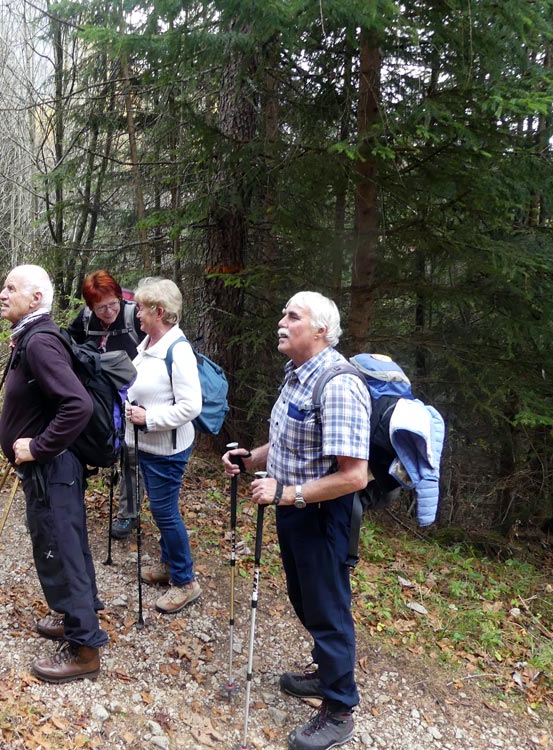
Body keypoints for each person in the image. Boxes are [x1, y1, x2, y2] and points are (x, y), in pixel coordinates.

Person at [222, 291, 370, 750]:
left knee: (327, 610)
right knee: (305, 600)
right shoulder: (297, 376)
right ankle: (327, 674)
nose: (280, 322)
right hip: (294, 510)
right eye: (282, 312)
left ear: (321, 330)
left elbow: (355, 476)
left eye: (292, 316)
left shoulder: (338, 384)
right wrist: (252, 460)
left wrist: (288, 493)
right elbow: (289, 446)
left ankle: (340, 707)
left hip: (323, 517)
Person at [0, 264, 108, 683]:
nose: (3, 294)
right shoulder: (33, 337)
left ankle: (84, 648)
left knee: (61, 548)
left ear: (36, 298)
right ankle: (75, 616)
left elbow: (76, 405)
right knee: (67, 543)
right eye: (4, 287)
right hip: (56, 466)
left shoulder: (40, 342)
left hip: (53, 466)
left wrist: (39, 447)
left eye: (12, 288)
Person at [124, 277, 203, 615]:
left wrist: (148, 418)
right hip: (149, 445)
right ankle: (169, 565)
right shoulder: (149, 344)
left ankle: (186, 581)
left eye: (141, 308)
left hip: (166, 449)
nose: (136, 313)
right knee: (161, 509)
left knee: (165, 512)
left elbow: (191, 407)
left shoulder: (178, 350)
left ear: (159, 312)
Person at [66, 270, 145, 540]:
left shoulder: (133, 314)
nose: (110, 311)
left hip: (132, 394)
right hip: (98, 397)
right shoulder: (86, 318)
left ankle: (128, 514)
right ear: (90, 306)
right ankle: (71, 501)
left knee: (131, 455)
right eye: (102, 307)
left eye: (113, 303)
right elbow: (68, 341)